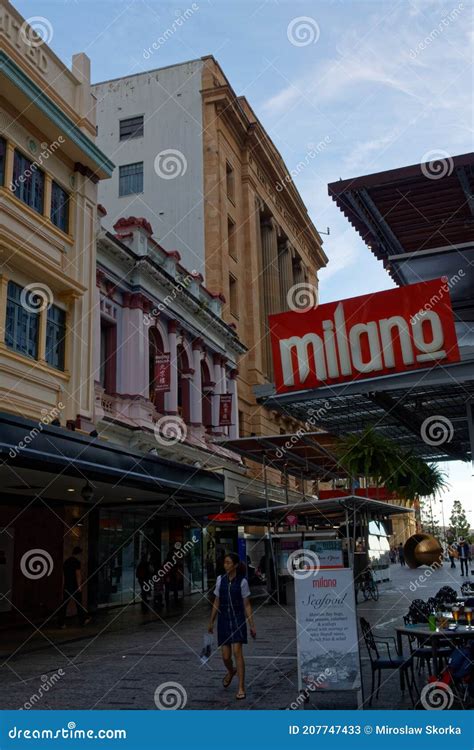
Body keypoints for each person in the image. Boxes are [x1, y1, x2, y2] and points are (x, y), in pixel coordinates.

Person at [208, 552, 256, 701]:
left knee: (237, 652)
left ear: (235, 565)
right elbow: (217, 601)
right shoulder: (219, 580)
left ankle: (241, 687)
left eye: (229, 563)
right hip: (223, 620)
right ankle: (231, 671)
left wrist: (251, 624)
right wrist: (211, 621)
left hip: (237, 620)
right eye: (225, 563)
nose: (226, 565)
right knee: (225, 656)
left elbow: (246, 604)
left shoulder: (242, 582)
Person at [57, 546, 90, 628]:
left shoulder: (66, 562)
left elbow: (63, 575)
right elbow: (78, 575)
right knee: (79, 603)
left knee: (64, 604)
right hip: (75, 586)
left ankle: (61, 623)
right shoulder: (76, 562)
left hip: (67, 586)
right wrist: (79, 586)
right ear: (79, 554)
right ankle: (83, 620)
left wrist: (63, 586)